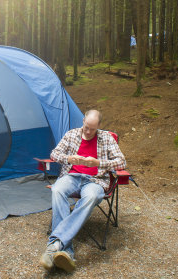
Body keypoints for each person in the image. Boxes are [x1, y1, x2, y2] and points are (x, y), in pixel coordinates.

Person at [39, 109, 126, 272]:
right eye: (86, 126)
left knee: (92, 196)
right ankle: (66, 252)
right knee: (57, 189)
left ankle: (55, 245)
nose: (87, 131)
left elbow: (121, 162)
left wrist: (98, 163)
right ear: (83, 120)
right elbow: (54, 153)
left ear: (99, 126)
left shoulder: (107, 138)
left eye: (92, 129)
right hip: (71, 176)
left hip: (95, 180)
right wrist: (69, 159)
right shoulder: (72, 134)